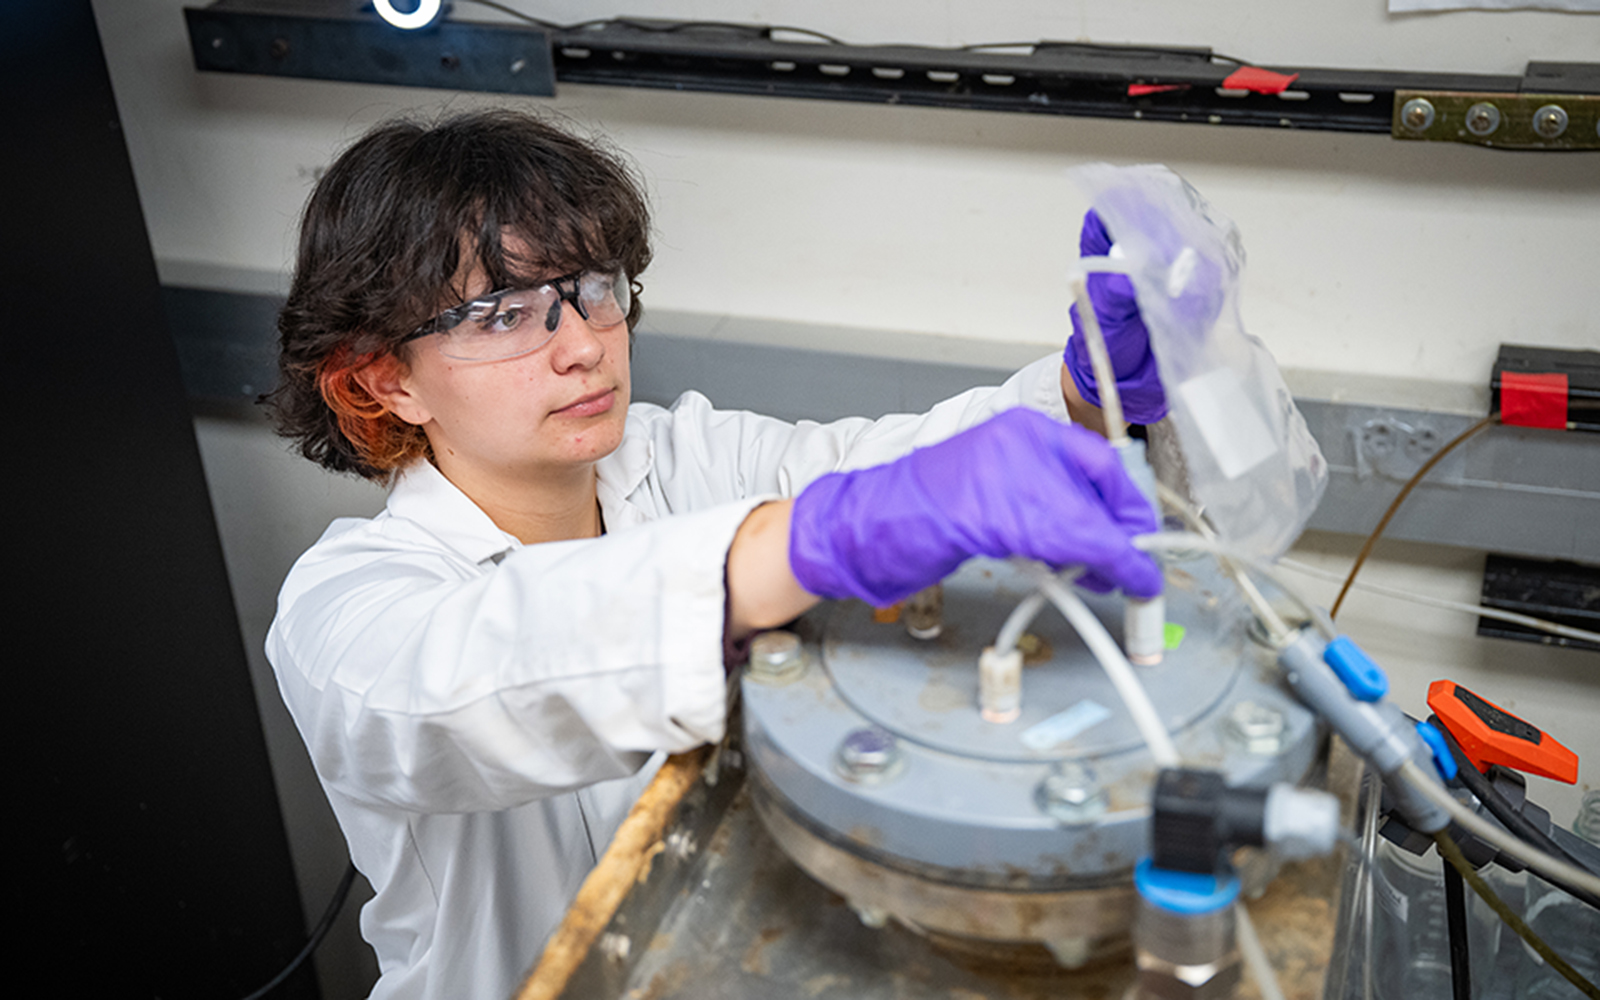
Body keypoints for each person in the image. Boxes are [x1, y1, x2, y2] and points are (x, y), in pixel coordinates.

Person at [264, 108, 1167, 1000]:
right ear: (383, 380)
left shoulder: (680, 454)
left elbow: (887, 467)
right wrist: (816, 539)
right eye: (504, 316)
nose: (583, 346)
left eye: (593, 288)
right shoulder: (345, 607)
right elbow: (480, 677)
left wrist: (1086, 391)